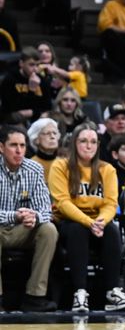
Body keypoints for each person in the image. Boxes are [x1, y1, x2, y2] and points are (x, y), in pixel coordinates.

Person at [48, 122, 125, 312]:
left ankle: (113, 291)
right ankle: (80, 293)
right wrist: (89, 222)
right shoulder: (60, 166)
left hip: (98, 221)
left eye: (93, 142)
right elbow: (62, 202)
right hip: (69, 221)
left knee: (112, 229)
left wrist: (101, 221)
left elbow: (111, 203)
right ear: (74, 144)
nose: (89, 146)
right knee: (78, 229)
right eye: (84, 141)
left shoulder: (107, 169)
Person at [0, 125, 59, 312]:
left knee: (48, 229)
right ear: (1, 147)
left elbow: (45, 210)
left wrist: (34, 217)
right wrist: (15, 215)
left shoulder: (34, 169)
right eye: (13, 145)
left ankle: (35, 296)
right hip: (2, 228)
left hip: (22, 230)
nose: (19, 151)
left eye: (22, 145)